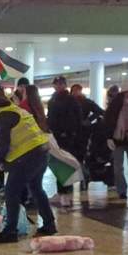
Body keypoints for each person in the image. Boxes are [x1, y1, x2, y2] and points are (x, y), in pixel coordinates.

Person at [0, 92, 56, 243]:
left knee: (11, 192)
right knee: (36, 188)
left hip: (27, 157)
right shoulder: (15, 109)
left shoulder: (0, 115)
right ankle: (49, 224)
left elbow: (3, 144)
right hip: (42, 152)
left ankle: (10, 231)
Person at [47, 76, 83, 207]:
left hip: (67, 137)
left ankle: (67, 193)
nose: (57, 86)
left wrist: (71, 132)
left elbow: (77, 118)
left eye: (59, 84)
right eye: (55, 84)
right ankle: (60, 191)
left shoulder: (70, 100)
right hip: (56, 136)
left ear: (64, 85)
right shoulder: (53, 99)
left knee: (67, 163)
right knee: (58, 163)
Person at [70, 83, 104, 190]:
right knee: (74, 158)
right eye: (74, 90)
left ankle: (83, 178)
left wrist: (88, 121)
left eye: (77, 90)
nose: (75, 93)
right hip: (72, 134)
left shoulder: (86, 102)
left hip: (82, 134)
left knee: (79, 157)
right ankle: (83, 177)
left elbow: (100, 111)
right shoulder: (70, 102)